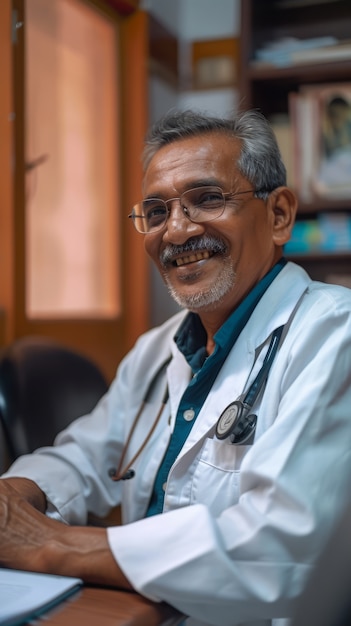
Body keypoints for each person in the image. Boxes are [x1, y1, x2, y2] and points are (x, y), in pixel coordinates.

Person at [1, 109, 351, 626]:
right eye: (156, 211)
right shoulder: (157, 348)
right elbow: (83, 457)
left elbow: (277, 552)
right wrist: (13, 497)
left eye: (207, 199)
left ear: (278, 215)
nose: (177, 231)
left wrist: (51, 545)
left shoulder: (333, 336)